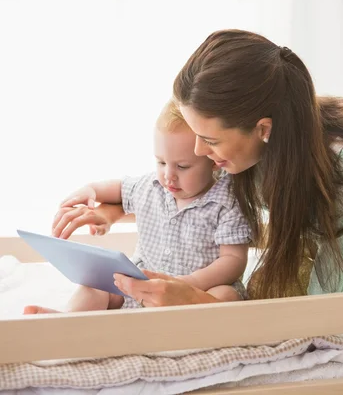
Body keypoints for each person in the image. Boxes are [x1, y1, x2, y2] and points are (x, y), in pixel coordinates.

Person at [51, 29, 343, 306]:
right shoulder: (271, 140)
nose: (200, 152)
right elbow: (198, 197)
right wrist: (114, 210)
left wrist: (196, 299)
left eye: (211, 141)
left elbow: (329, 312)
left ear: (263, 129)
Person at [24, 99, 251, 314]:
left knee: (226, 295)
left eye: (182, 166)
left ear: (212, 160)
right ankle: (68, 319)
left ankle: (188, 328)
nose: (168, 175)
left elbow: (233, 260)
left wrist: (190, 283)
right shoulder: (151, 186)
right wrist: (92, 191)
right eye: (161, 162)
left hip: (196, 292)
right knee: (94, 285)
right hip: (140, 286)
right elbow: (119, 188)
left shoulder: (228, 201)